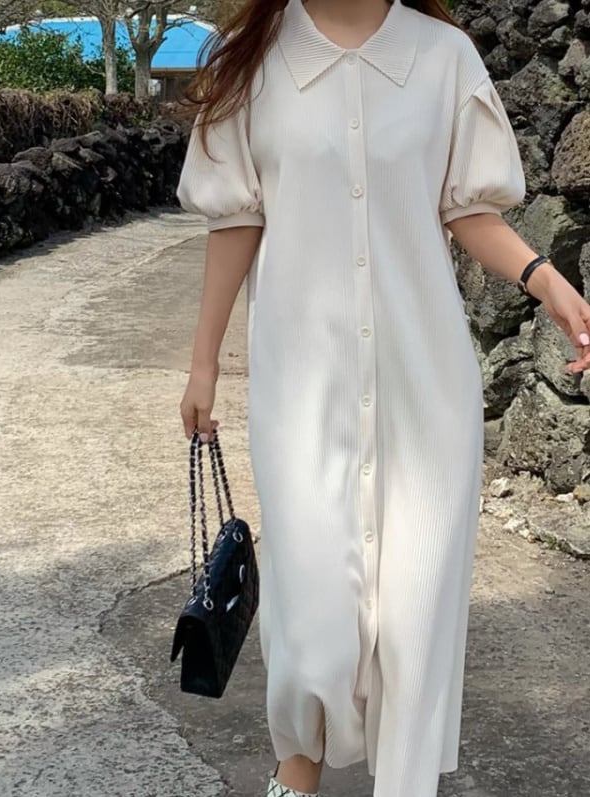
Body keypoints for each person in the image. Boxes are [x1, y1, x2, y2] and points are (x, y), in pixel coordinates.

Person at [176, 0, 590, 795]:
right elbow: (236, 221)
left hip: (423, 385)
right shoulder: (253, 63)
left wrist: (545, 280)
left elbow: (466, 207)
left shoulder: (442, 57)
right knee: (314, 626)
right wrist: (202, 364)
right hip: (300, 389)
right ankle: (295, 774)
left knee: (414, 619)